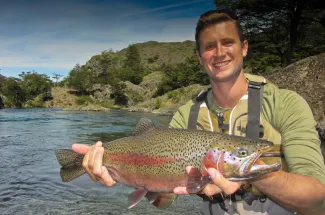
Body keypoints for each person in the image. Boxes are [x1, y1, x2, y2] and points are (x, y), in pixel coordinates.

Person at [72, 9, 325, 215]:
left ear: (244, 47)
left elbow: (317, 200)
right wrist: (124, 174)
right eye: (209, 46)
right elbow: (164, 201)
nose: (219, 52)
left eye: (228, 42)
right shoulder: (186, 116)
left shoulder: (285, 104)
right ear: (199, 56)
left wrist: (250, 176)